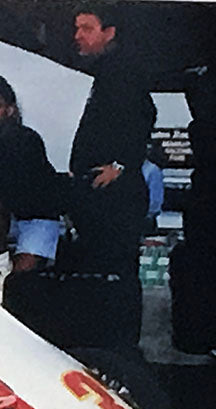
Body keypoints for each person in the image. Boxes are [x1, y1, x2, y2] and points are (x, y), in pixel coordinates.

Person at [65, 3, 156, 276]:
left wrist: (121, 165)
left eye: (87, 28)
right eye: (77, 28)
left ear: (109, 32)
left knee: (117, 273)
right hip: (89, 187)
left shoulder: (124, 70)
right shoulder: (89, 72)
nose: (78, 35)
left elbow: (145, 115)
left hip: (117, 194)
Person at [0, 76, 65, 300]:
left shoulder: (27, 139)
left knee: (21, 281)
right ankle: (1, 267)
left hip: (35, 215)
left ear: (9, 110)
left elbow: (16, 184)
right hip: (3, 213)